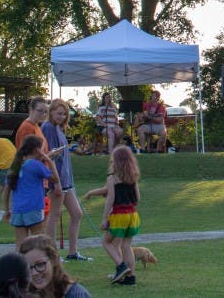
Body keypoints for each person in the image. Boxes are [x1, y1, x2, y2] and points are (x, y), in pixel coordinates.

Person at [41, 99, 90, 261]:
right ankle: (52, 254)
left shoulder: (58, 128)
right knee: (54, 216)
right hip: (58, 181)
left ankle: (73, 252)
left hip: (67, 181)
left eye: (64, 114)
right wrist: (56, 183)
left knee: (76, 213)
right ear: (51, 112)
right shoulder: (48, 128)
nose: (62, 117)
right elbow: (51, 157)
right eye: (59, 113)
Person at [6, 134, 62, 248]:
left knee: (20, 244)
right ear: (37, 150)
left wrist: (7, 209)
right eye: (42, 148)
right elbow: (55, 179)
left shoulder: (16, 165)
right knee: (38, 243)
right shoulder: (36, 165)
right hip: (33, 208)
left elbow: (7, 190)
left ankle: (21, 265)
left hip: (17, 209)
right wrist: (49, 160)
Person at [98, 145, 141, 285]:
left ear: (115, 162)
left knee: (106, 242)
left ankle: (121, 266)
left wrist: (105, 218)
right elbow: (138, 198)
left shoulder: (112, 179)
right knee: (126, 245)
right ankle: (131, 278)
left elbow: (110, 199)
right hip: (132, 215)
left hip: (119, 216)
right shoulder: (133, 177)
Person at [19, 234, 92, 297]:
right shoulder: (24, 293)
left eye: (40, 264)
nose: (34, 273)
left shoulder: (76, 295)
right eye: (28, 267)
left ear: (53, 260)